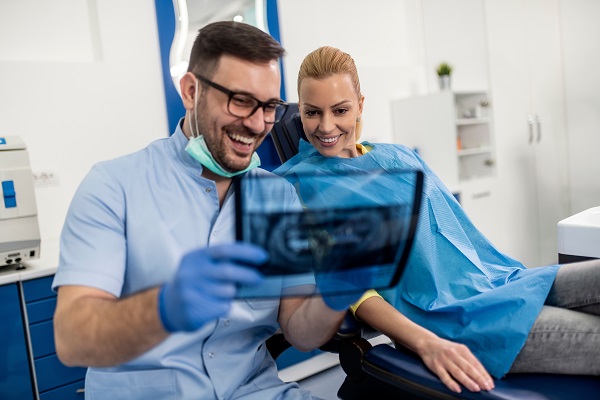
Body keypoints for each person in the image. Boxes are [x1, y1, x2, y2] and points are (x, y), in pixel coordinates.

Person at [52, 24, 362, 400]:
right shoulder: (114, 186)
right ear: (190, 91)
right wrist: (165, 307)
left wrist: (338, 289)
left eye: (269, 107)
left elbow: (299, 330)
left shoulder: (277, 198)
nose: (257, 123)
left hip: (254, 392)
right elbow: (73, 340)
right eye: (240, 101)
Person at [274, 45, 600, 394]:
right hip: (458, 319)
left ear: (360, 106)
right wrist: (426, 343)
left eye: (340, 110)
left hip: (506, 281)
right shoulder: (297, 188)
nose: (326, 126)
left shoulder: (397, 156)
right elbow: (355, 293)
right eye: (312, 113)